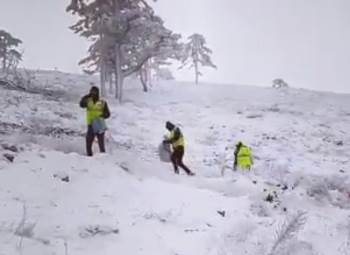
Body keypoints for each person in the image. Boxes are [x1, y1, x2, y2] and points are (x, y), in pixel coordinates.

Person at [80, 86, 110, 156]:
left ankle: (103, 156)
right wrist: (87, 96)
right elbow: (81, 104)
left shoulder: (102, 102)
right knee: (89, 141)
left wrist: (102, 115)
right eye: (92, 92)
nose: (93, 94)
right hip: (91, 124)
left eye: (94, 92)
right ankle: (89, 155)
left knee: (101, 142)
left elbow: (108, 114)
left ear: (98, 93)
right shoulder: (88, 100)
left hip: (99, 124)